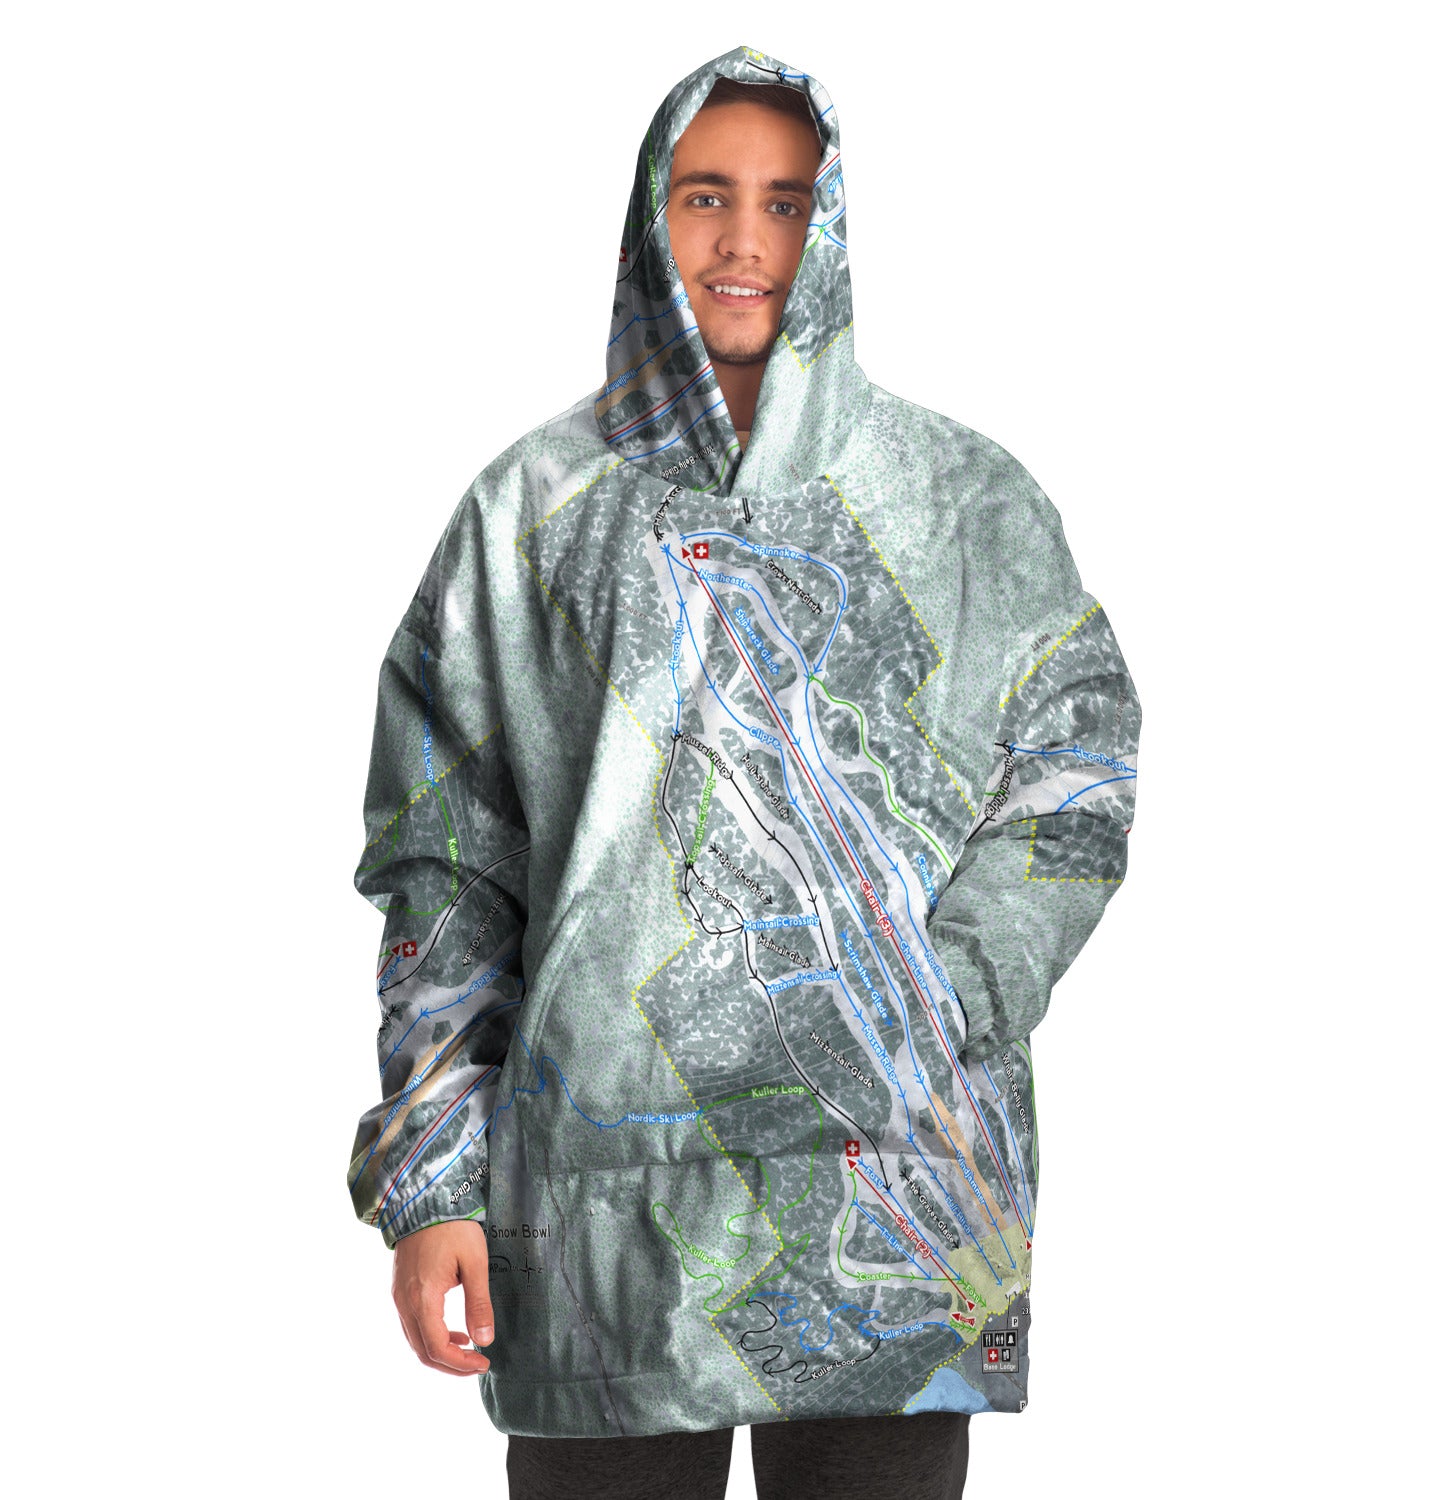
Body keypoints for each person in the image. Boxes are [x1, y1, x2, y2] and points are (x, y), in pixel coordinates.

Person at [346, 43, 1140, 1500]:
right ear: (650, 216)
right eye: (707, 195)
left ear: (830, 227)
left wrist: (949, 990)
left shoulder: (963, 502)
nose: (744, 240)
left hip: (893, 1198)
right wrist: (432, 1180)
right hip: (598, 1219)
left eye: (786, 202)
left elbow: (1075, 761)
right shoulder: (531, 512)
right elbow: (445, 864)